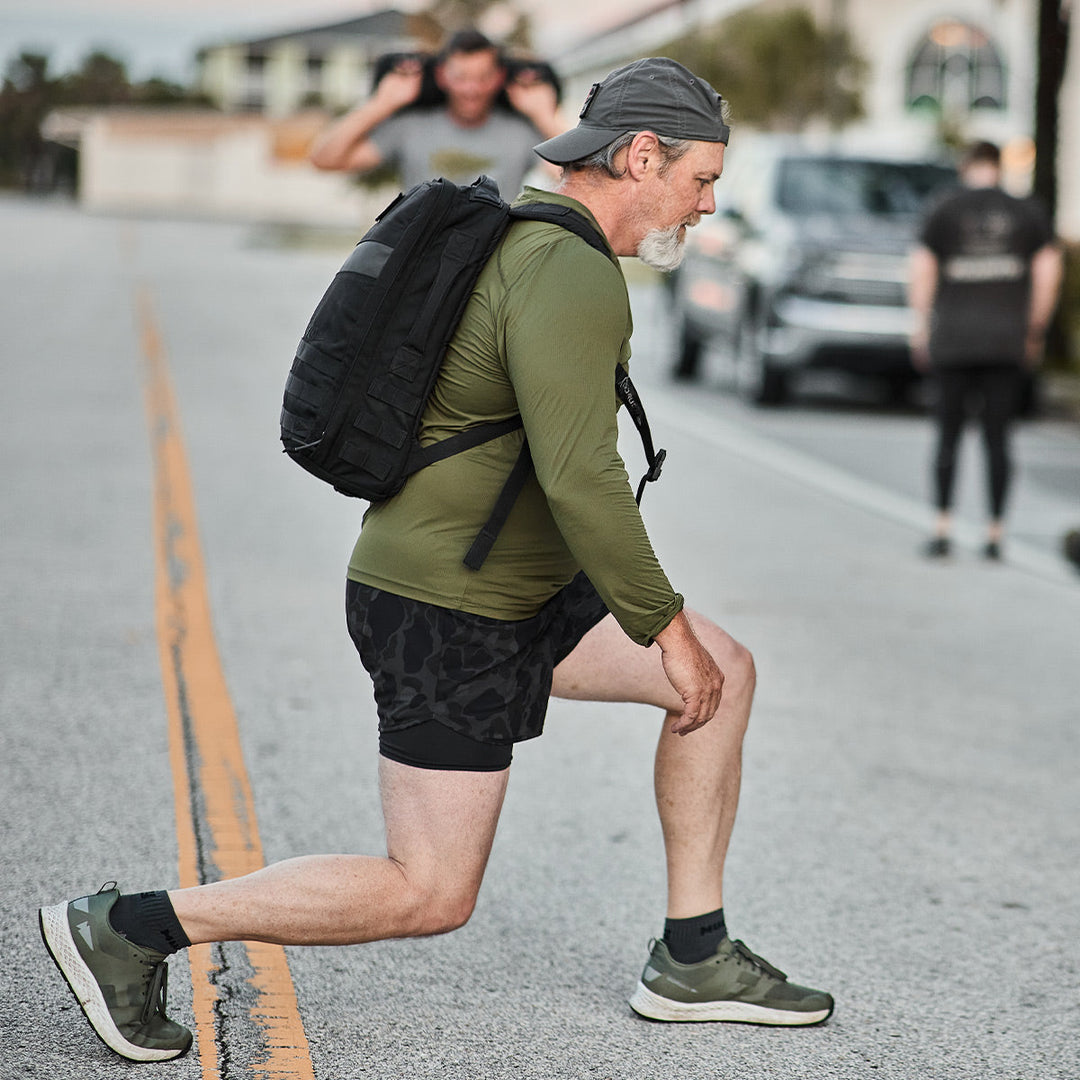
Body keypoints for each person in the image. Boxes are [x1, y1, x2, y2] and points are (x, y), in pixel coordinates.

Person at [39, 57, 834, 1064]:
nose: (710, 203)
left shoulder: (538, 247)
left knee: (728, 672)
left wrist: (679, 640)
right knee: (428, 889)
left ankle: (693, 953)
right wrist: (662, 629)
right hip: (448, 607)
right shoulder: (568, 269)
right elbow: (582, 477)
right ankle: (129, 928)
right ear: (641, 156)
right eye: (702, 177)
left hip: (517, 586)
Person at [909, 140, 1063, 561]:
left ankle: (942, 528)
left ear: (967, 166)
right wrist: (1034, 329)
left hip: (954, 339)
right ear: (998, 166)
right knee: (998, 439)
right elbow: (1048, 270)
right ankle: (995, 533)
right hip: (1004, 340)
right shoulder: (1027, 212)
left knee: (948, 437)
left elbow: (923, 268)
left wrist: (922, 327)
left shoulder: (944, 208)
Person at [308, 28, 564, 198]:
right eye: (461, 77)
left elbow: (580, 176)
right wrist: (380, 104)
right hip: (422, 261)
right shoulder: (410, 126)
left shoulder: (521, 131)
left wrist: (544, 115)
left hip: (493, 261)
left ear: (498, 78)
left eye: (482, 77)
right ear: (442, 75)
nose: (471, 89)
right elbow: (326, 159)